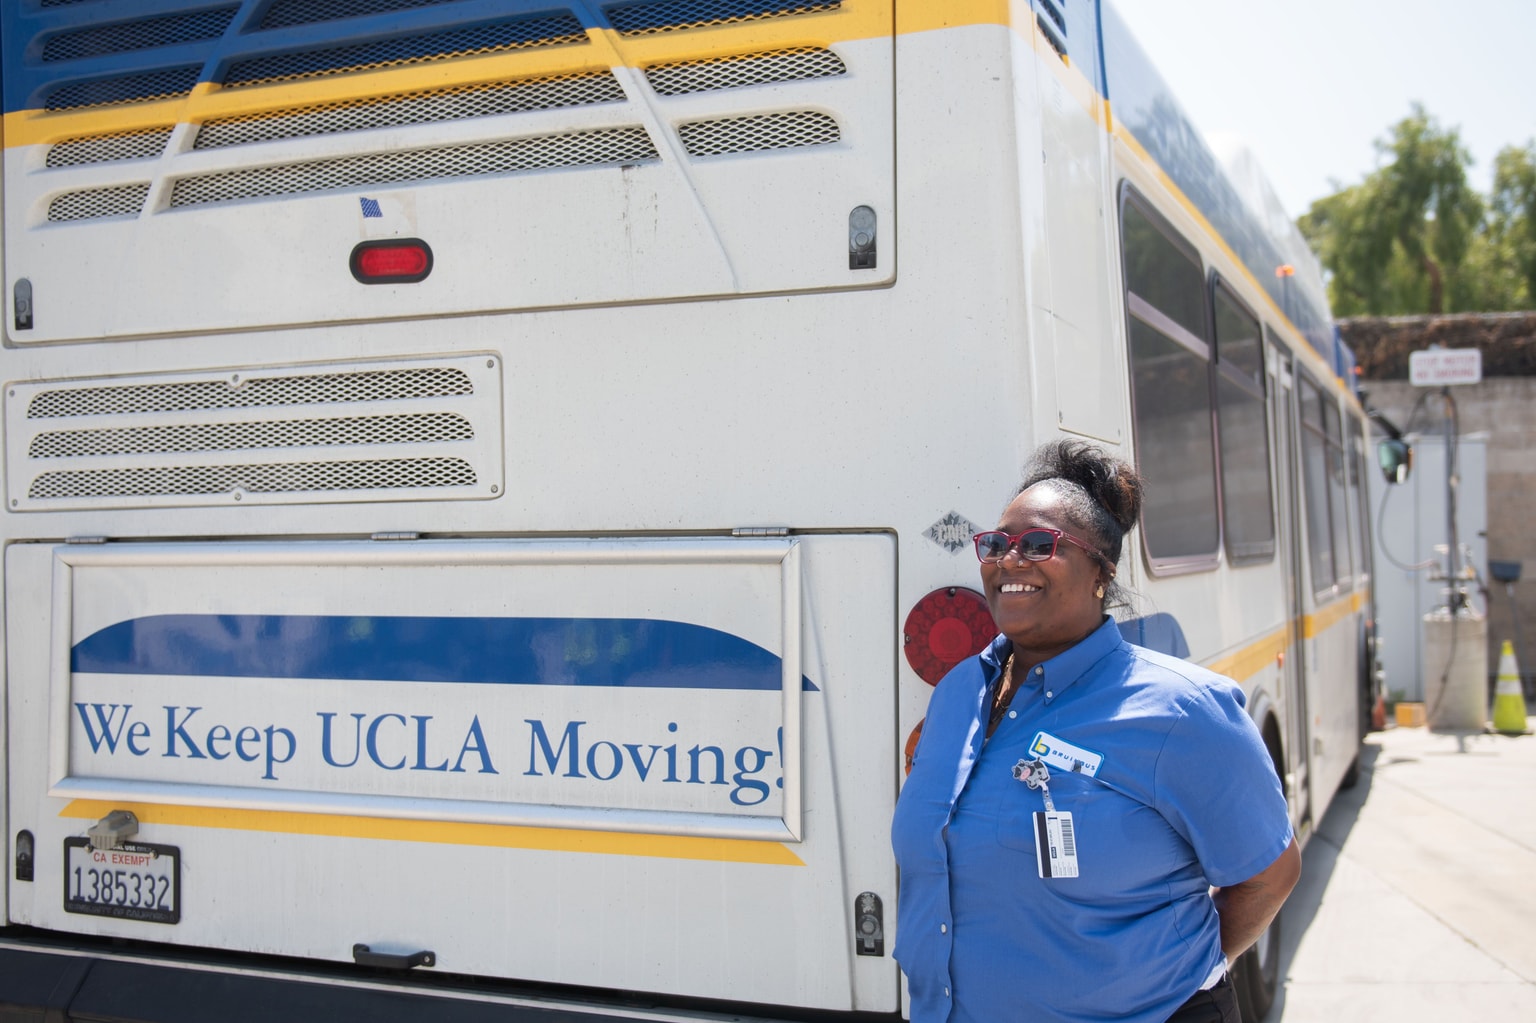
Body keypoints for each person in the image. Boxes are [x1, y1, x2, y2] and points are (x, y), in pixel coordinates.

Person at [892, 438, 1300, 1023]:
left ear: (1100, 575)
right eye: (998, 544)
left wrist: (1171, 983)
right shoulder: (961, 691)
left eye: (1039, 545)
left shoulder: (1183, 709)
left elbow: (1269, 874)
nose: (1010, 561)